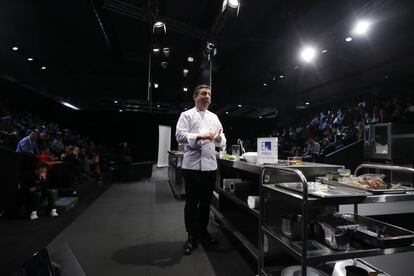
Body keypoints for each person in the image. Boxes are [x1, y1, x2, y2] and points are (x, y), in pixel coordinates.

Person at [176, 84, 226, 255]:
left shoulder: (214, 117)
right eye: (203, 93)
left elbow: (222, 138)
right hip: (192, 167)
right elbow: (180, 135)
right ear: (195, 96)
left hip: (210, 166)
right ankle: (191, 236)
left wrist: (219, 138)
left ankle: (203, 232)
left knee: (205, 203)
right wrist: (199, 136)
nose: (207, 96)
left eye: (209, 94)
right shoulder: (186, 115)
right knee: (191, 203)